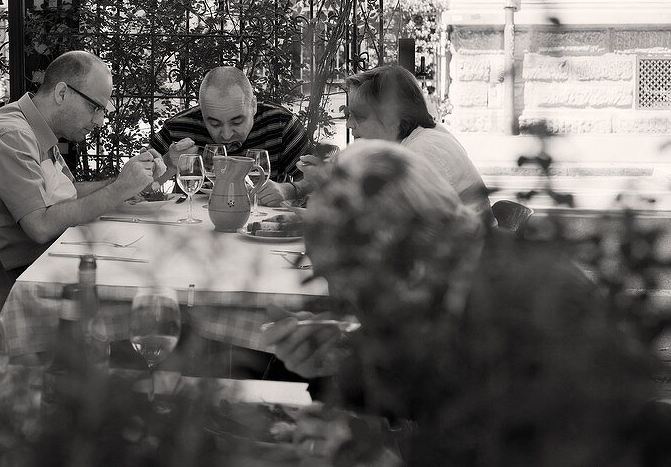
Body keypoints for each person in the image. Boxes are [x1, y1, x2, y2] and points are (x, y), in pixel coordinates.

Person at [265, 141, 663, 465]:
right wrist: (338, 365)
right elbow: (425, 379)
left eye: (354, 287)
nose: (352, 305)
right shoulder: (461, 280)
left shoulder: (524, 309)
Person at [0, 51, 163, 275]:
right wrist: (119, 189)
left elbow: (68, 194)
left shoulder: (35, 128)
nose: (99, 121)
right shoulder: (10, 135)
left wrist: (123, 182)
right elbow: (41, 226)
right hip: (8, 279)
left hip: (38, 261)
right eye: (95, 107)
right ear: (61, 93)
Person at [295, 64, 491, 223]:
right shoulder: (413, 140)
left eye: (359, 116)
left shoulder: (423, 152)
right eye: (348, 114)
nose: (348, 124)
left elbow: (382, 224)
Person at [149, 66, 309, 201]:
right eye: (214, 123)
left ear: (253, 106)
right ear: (201, 111)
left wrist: (289, 190)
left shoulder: (280, 124)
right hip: (192, 231)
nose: (226, 135)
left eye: (237, 122)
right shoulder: (180, 128)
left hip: (261, 224)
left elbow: (321, 182)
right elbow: (135, 191)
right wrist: (168, 164)